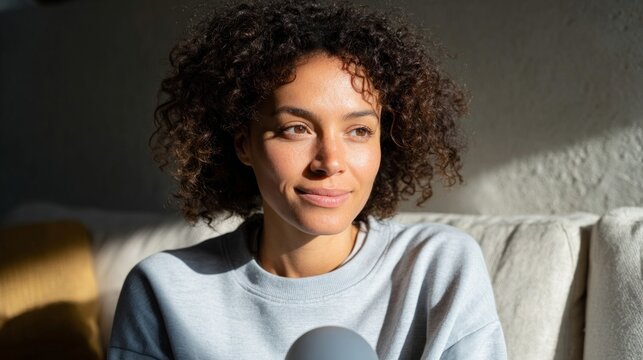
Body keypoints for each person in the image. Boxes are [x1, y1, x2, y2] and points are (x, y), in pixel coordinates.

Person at [108, 0, 507, 359]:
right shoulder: (165, 289)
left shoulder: (436, 267)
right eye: (296, 129)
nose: (330, 162)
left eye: (359, 131)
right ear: (243, 144)